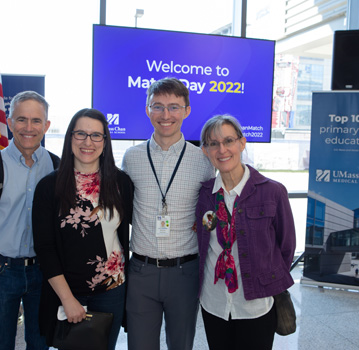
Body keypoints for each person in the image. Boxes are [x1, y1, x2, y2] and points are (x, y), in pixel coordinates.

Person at [122, 77, 215, 350]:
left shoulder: (203, 161)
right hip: (141, 271)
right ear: (148, 109)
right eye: (158, 106)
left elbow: (210, 212)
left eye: (174, 107)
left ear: (187, 110)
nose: (166, 115)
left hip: (185, 273)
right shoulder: (131, 158)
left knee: (181, 345)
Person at [32, 108, 134, 350]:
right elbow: (45, 248)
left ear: (105, 142)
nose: (88, 142)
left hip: (112, 289)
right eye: (81, 134)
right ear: (70, 139)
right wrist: (67, 299)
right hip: (68, 292)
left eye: (96, 135)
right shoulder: (49, 187)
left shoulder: (120, 183)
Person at [195, 114, 296, 350]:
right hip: (214, 302)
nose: (222, 150)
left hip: (256, 304)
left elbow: (286, 246)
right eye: (213, 143)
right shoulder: (204, 194)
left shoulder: (272, 192)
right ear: (205, 151)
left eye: (228, 141)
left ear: (242, 143)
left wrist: (269, 281)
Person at [0, 90, 54, 350]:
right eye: (21, 119)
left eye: (36, 121)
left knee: (40, 343)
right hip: (0, 272)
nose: (29, 127)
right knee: (0, 343)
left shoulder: (57, 168)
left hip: (44, 272)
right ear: (9, 121)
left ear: (46, 125)